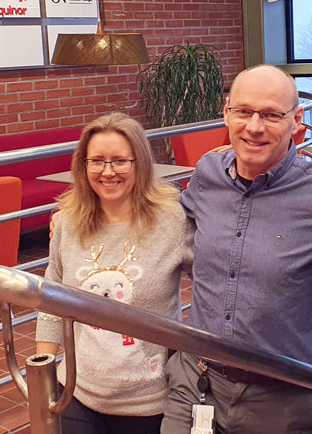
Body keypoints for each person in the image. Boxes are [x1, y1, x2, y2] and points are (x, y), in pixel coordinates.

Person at [160, 64, 312, 434]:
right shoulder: (208, 173)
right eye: (244, 112)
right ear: (226, 114)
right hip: (194, 382)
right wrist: (84, 214)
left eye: (272, 115)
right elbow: (169, 221)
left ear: (296, 121)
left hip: (277, 397)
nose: (254, 126)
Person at [36, 112, 191, 434]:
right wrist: (44, 375)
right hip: (77, 393)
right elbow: (51, 298)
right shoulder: (68, 222)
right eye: (97, 161)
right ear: (83, 165)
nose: (108, 172)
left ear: (140, 164)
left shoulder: (173, 219)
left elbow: (216, 279)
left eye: (120, 161)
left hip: (152, 401)